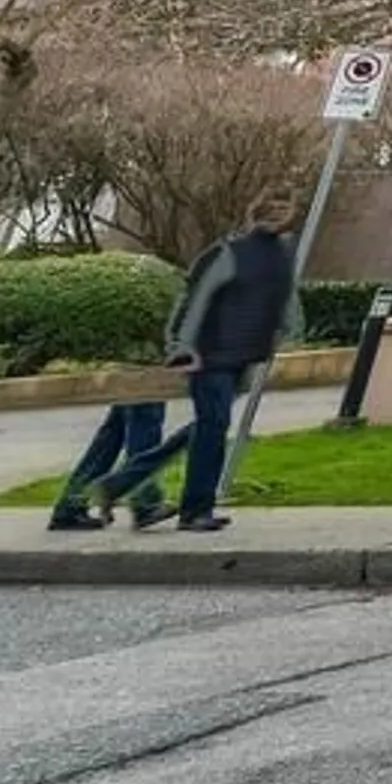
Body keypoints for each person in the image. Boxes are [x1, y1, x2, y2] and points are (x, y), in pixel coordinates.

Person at [93, 192, 300, 534]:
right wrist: (181, 345)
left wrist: (286, 331)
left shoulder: (278, 257)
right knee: (212, 427)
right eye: (275, 211)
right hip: (212, 353)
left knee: (207, 428)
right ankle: (195, 509)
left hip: (243, 354)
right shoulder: (227, 253)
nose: (280, 217)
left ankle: (116, 485)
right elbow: (195, 298)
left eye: (285, 210)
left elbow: (284, 299)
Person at [45, 391, 172, 533]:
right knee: (144, 417)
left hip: (130, 374)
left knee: (113, 433)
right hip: (143, 373)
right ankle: (145, 501)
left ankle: (71, 505)